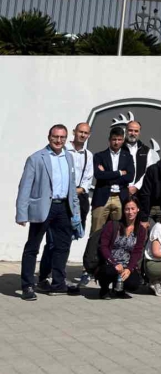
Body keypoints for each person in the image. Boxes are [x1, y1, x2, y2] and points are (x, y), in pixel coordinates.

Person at [17, 124, 83, 300]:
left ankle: (58, 284)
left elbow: (71, 186)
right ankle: (27, 285)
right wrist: (21, 213)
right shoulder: (36, 158)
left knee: (62, 246)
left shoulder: (68, 157)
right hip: (43, 207)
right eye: (55, 137)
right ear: (49, 137)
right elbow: (24, 187)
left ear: (66, 138)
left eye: (62, 137)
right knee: (33, 247)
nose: (58, 140)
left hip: (63, 208)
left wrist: (75, 211)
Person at [39, 122, 94, 290]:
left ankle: (58, 276)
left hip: (77, 200)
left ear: (89, 135)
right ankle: (44, 276)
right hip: (60, 200)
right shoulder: (62, 151)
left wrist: (76, 190)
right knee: (53, 241)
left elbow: (87, 178)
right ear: (74, 132)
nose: (83, 135)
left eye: (86, 133)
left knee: (67, 240)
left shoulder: (88, 155)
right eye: (80, 132)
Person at [96, 199, 147, 299]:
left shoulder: (141, 230)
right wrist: (114, 263)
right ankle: (104, 289)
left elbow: (137, 252)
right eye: (127, 209)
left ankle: (118, 289)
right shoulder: (112, 225)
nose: (130, 212)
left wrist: (129, 268)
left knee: (134, 284)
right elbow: (104, 247)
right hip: (110, 262)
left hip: (126, 264)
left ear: (138, 209)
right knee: (108, 272)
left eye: (133, 208)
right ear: (123, 210)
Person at [91, 126, 135, 234]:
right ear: (109, 139)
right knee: (96, 231)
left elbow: (130, 177)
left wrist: (107, 175)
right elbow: (98, 175)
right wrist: (119, 173)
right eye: (114, 139)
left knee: (118, 232)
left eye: (119, 139)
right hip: (102, 197)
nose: (116, 142)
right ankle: (92, 251)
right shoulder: (99, 156)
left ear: (123, 140)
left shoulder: (128, 157)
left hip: (120, 197)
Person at [123, 120, 160, 199]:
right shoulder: (118, 149)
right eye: (130, 130)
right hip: (121, 191)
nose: (133, 133)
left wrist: (136, 187)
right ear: (125, 131)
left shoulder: (147, 151)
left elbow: (149, 172)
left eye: (136, 131)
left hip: (140, 193)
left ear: (139, 132)